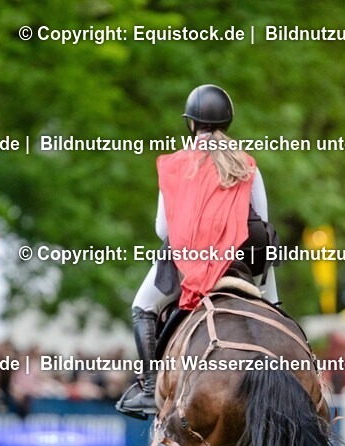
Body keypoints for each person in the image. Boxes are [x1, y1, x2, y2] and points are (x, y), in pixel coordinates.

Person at [116, 84, 279, 418]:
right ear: (228, 121)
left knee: (142, 307)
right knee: (273, 305)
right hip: (242, 254)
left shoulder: (176, 164)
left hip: (192, 259)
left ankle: (149, 389)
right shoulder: (247, 162)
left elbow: (163, 229)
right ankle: (279, 320)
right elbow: (262, 217)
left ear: (190, 123)